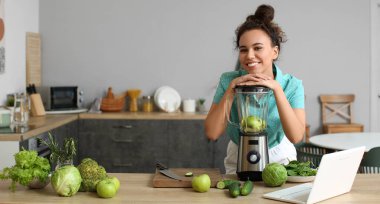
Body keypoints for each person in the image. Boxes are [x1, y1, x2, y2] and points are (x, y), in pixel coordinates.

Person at [205, 4, 305, 174]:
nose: (249, 55)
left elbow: (296, 136)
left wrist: (277, 89)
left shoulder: (292, 85)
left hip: (280, 160)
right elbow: (212, 133)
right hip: (238, 156)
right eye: (243, 50)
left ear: (275, 52)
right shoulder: (228, 80)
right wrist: (231, 90)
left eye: (258, 48)